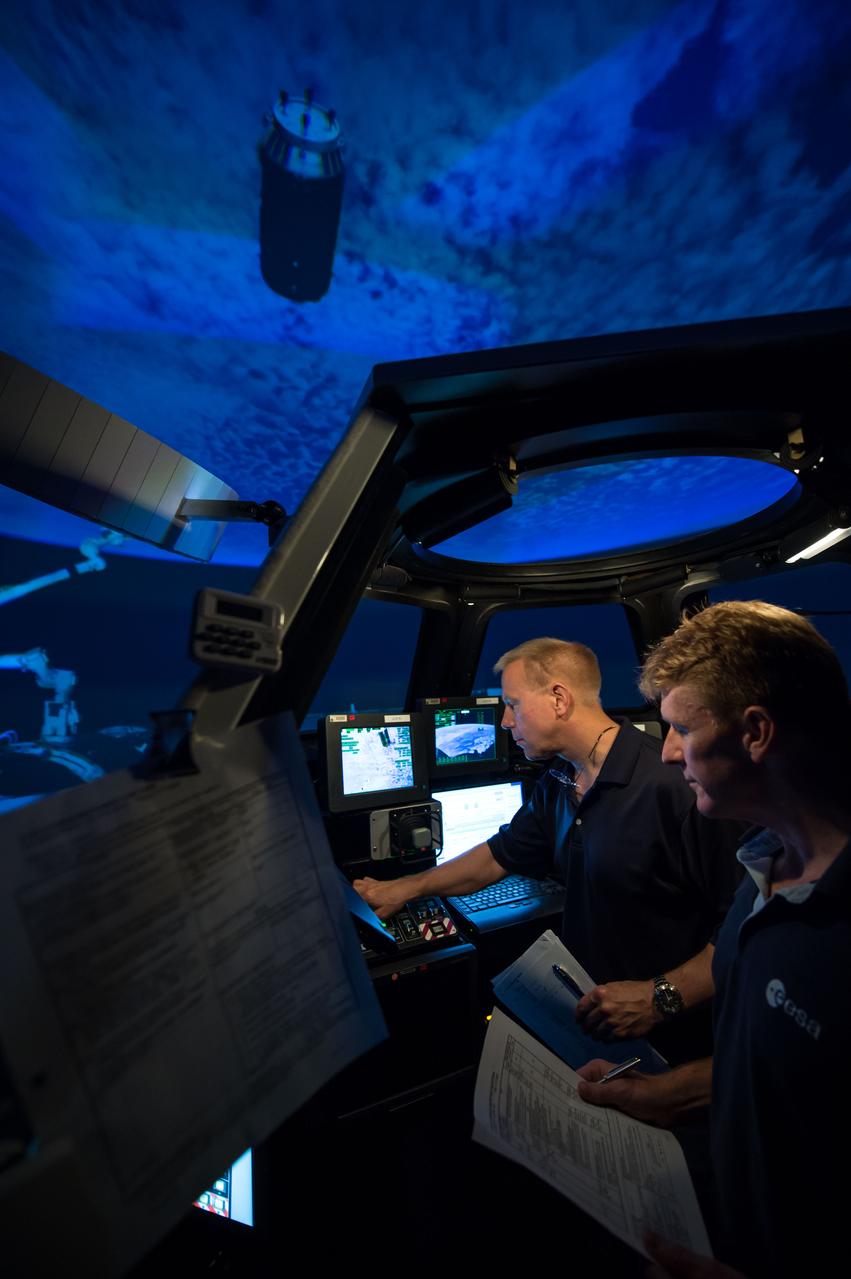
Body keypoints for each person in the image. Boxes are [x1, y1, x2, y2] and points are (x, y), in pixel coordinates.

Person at [576, 601, 851, 1278]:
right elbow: (773, 1063)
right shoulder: (759, 861)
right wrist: (669, 1092)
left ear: (755, 732)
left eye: (680, 730)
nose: (667, 753)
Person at [355, 637, 743, 1063]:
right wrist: (404, 889)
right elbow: (499, 854)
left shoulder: (675, 787)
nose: (504, 721)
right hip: (593, 1025)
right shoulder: (559, 781)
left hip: (672, 1041)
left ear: (559, 699)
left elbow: (741, 927)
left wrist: (658, 998)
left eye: (513, 704)